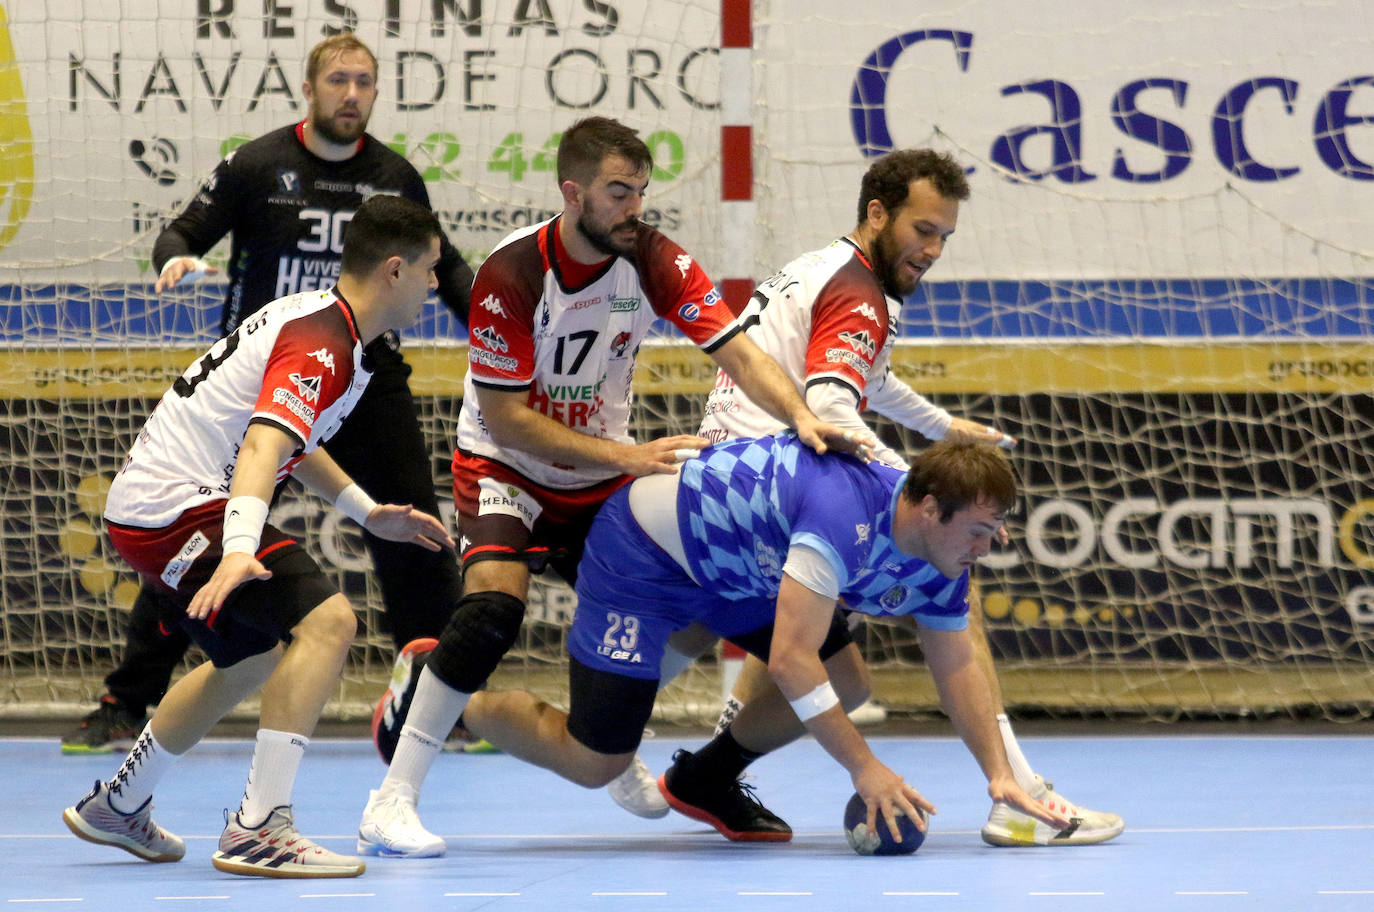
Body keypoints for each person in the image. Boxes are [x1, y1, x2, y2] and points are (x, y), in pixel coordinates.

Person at [355, 116, 874, 856]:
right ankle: (393, 798)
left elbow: (741, 352)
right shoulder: (512, 274)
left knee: (689, 595)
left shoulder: (651, 257)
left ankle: (624, 739)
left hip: (601, 468)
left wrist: (801, 416)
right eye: (616, 193)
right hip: (509, 468)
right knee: (491, 613)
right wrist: (627, 458)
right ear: (573, 193)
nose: (633, 208)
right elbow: (507, 422)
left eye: (640, 192)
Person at [696, 147, 1123, 847]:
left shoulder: (828, 270)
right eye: (924, 230)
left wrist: (943, 425)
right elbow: (832, 402)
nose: (933, 250)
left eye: (945, 237)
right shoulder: (861, 296)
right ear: (877, 213)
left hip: (732, 486)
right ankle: (1016, 792)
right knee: (949, 573)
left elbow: (871, 378)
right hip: (772, 494)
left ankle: (707, 766)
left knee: (840, 669)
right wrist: (928, 499)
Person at [62, 32, 473, 755]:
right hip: (268, 380)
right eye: (338, 79)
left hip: (361, 383)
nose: (352, 93)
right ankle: (128, 701)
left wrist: (368, 509)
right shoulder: (260, 165)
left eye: (365, 82)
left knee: (412, 534)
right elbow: (187, 230)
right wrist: (178, 257)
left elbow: (451, 271)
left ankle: (438, 703)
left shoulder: (395, 178)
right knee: (217, 556)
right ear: (310, 89)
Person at [363, 435, 1075, 850]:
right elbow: (792, 661)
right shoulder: (839, 519)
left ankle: (702, 778)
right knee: (593, 758)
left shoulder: (944, 552)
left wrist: (1000, 775)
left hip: (744, 573)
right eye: (982, 531)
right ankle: (447, 694)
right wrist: (866, 769)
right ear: (928, 509)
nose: (994, 546)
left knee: (850, 681)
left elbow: (955, 664)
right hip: (648, 554)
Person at [61, 195, 453, 878]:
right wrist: (239, 549)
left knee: (252, 657)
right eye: (430, 270)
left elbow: (293, 443)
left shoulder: (331, 329)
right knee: (329, 624)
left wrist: (368, 512)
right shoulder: (325, 342)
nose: (435, 285)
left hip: (153, 506)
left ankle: (118, 806)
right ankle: (259, 828)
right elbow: (262, 449)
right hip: (176, 504)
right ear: (395, 269)